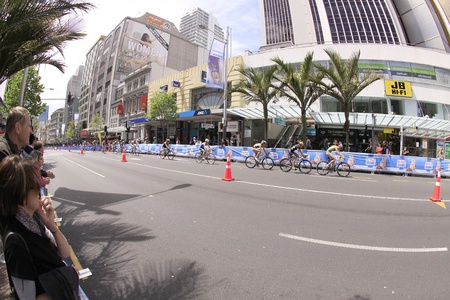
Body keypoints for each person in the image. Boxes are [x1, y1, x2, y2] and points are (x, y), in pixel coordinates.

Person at [0, 155, 77, 299]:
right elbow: (27, 298)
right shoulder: (15, 241)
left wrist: (52, 226)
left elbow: (65, 253)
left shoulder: (34, 218)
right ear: (21, 195)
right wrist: (67, 279)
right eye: (35, 188)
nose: (39, 191)